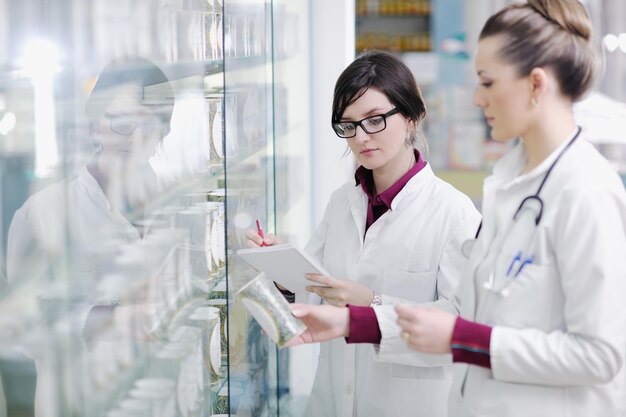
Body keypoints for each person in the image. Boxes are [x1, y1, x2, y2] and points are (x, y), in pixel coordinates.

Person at [287, 1, 626, 416]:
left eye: (486, 81)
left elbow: (601, 354)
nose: (477, 98)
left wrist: (464, 338)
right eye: (348, 125)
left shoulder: (586, 190)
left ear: (535, 85)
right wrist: (352, 322)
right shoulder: (510, 187)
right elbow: (463, 316)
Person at [246, 51, 481, 417]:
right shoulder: (343, 203)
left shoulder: (454, 213)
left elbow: (462, 325)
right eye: (349, 125)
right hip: (333, 400)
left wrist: (371, 302)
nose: (361, 137)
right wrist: (283, 272)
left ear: (411, 118)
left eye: (374, 121)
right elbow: (318, 289)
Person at [6, 58, 175, 417]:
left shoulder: (179, 208)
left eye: (153, 123)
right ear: (95, 122)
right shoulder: (43, 213)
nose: (138, 138)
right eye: (123, 122)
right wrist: (110, 317)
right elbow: (19, 329)